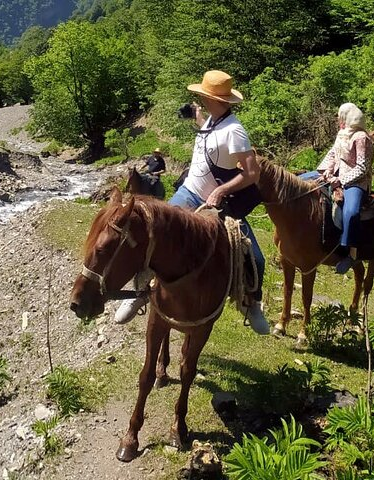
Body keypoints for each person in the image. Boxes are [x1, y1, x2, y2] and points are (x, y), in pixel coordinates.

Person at [114, 70, 269, 335]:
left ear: (213, 98)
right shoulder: (211, 120)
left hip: (217, 200)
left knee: (256, 257)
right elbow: (210, 135)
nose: (198, 98)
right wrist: (197, 117)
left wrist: (222, 191)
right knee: (152, 231)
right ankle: (139, 292)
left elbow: (251, 173)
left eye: (202, 95)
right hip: (189, 191)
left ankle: (253, 304)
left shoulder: (235, 131)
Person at [320, 103, 373, 274]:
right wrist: (326, 170)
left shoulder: (361, 138)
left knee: (351, 212)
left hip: (355, 182)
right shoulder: (342, 134)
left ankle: (351, 253)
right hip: (335, 174)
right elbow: (333, 154)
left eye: (340, 116)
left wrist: (341, 180)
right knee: (304, 181)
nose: (338, 119)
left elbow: (362, 167)